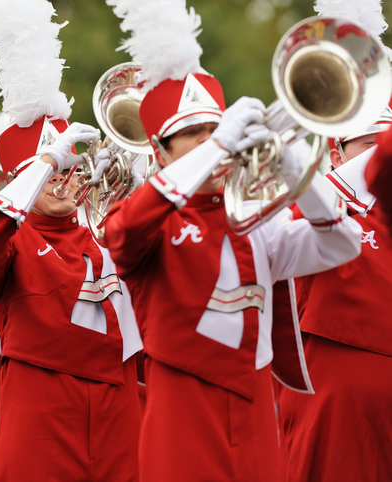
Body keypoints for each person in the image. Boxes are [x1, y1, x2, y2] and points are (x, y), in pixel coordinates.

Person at [102, 69, 363, 481]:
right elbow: (122, 230)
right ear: (160, 152)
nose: (208, 140)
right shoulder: (149, 222)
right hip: (182, 405)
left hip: (255, 404)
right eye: (193, 133)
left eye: (214, 128)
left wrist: (291, 161)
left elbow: (343, 242)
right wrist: (221, 142)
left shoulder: (254, 219)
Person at [0, 115, 143, 481]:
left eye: (70, 170)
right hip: (42, 418)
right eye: (51, 174)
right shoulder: (10, 241)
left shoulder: (106, 228)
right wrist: (47, 160)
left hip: (117, 411)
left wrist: (140, 190)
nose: (62, 180)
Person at [277, 111, 392, 481]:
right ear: (337, 154)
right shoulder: (319, 201)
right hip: (338, 394)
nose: (378, 154)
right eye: (368, 144)